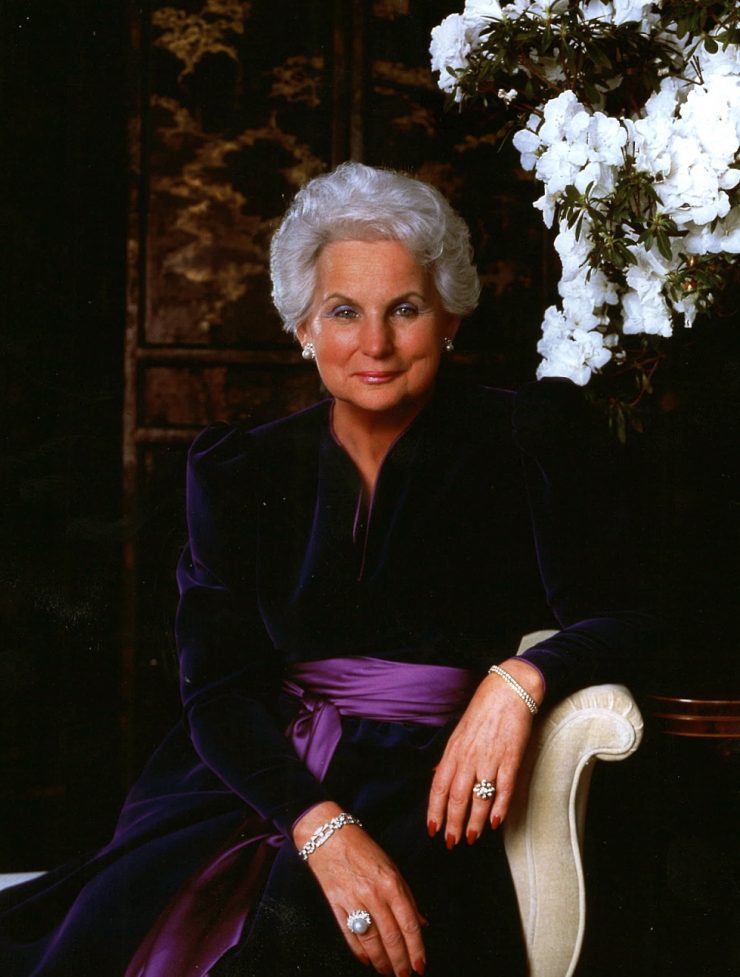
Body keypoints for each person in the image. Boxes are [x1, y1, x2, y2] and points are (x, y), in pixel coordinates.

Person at [0, 162, 655, 977]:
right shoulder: (240, 467)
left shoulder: (527, 438)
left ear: (450, 316)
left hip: (430, 787)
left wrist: (519, 679)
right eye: (344, 311)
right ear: (303, 327)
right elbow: (216, 691)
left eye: (405, 308)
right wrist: (317, 824)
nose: (374, 343)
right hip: (253, 780)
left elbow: (634, 616)